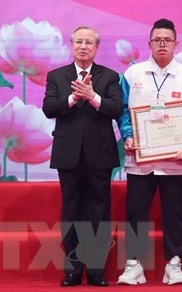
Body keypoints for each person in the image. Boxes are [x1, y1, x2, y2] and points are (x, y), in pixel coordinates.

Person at [117, 18, 182, 286]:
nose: (162, 43)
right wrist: (128, 136)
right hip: (140, 159)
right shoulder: (133, 74)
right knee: (137, 212)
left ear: (176, 43)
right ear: (149, 43)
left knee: (173, 213)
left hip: (175, 160)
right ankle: (134, 264)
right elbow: (122, 110)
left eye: (167, 39)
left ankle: (173, 264)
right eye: (157, 39)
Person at [42, 25, 122, 287]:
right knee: (72, 211)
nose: (83, 46)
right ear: (71, 45)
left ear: (97, 48)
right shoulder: (57, 76)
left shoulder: (109, 76)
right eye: (79, 42)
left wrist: (93, 96)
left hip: (99, 155)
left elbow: (115, 109)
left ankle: (97, 270)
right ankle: (73, 270)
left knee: (98, 212)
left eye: (89, 42)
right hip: (68, 156)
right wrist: (75, 97)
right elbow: (49, 109)